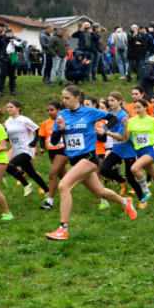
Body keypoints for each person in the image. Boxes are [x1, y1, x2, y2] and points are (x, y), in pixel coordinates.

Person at [44, 84, 138, 240]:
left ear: (77, 98)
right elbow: (53, 141)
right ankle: (125, 202)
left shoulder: (89, 112)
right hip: (75, 161)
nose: (64, 101)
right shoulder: (62, 115)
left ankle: (63, 229)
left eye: (67, 98)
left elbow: (113, 118)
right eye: (62, 98)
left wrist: (104, 128)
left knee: (63, 186)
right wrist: (60, 129)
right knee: (99, 192)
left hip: (88, 158)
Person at [3, 99, 50, 200]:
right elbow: (8, 139)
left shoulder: (24, 120)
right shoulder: (7, 122)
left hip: (26, 149)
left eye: (11, 107)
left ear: (18, 108)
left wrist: (34, 142)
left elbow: (39, 130)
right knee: (31, 173)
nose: (8, 109)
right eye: (7, 107)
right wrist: (3, 132)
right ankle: (48, 191)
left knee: (10, 167)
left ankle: (26, 184)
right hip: (16, 150)